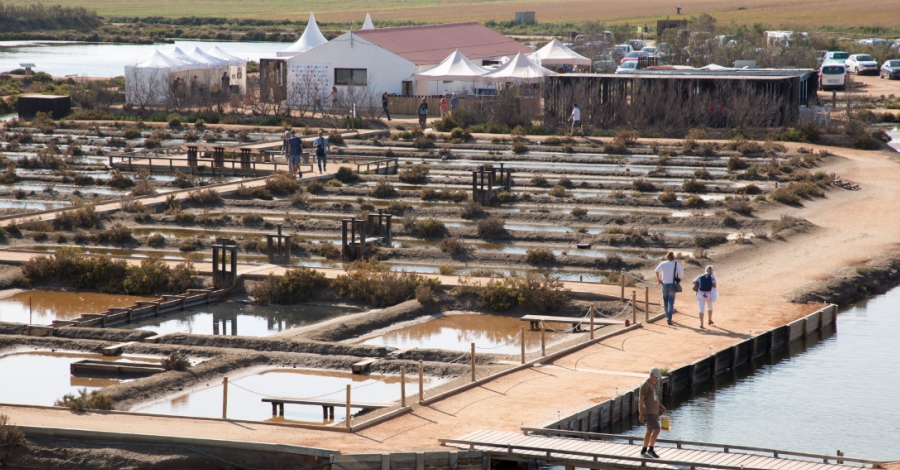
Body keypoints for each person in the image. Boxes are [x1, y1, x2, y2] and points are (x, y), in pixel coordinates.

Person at [639, 368, 667, 458]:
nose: (657, 379)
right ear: (651, 375)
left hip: (654, 412)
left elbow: (655, 398)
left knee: (649, 430)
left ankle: (644, 449)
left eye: (658, 377)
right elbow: (640, 400)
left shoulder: (653, 384)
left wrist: (661, 406)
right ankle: (651, 449)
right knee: (657, 429)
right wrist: (641, 414)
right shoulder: (645, 385)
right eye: (655, 377)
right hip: (649, 412)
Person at [655, 251, 684, 325]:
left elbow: (656, 270)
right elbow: (681, 271)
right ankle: (669, 318)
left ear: (667, 257)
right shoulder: (676, 264)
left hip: (664, 284)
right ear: (673, 257)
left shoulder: (663, 263)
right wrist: (679, 279)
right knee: (671, 303)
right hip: (672, 284)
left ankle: (667, 316)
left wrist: (658, 279)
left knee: (665, 302)